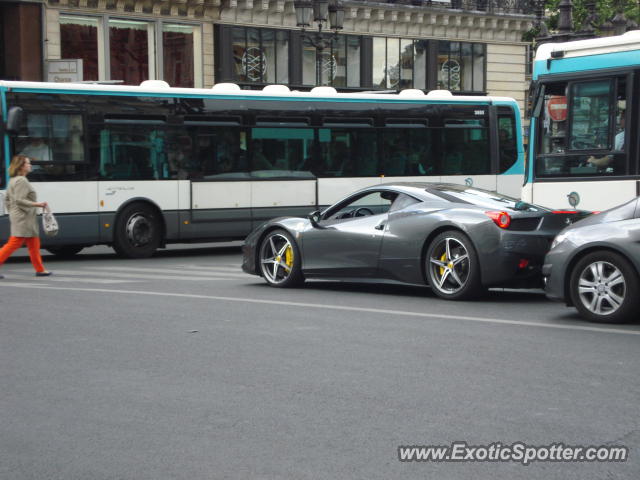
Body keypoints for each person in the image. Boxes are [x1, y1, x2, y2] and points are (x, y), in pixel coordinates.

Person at [0, 155, 52, 278]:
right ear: (21, 166)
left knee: (34, 244)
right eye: (28, 163)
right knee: (14, 243)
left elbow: (8, 200)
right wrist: (38, 204)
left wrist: (13, 212)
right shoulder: (21, 180)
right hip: (23, 218)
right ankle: (40, 270)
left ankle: (40, 269)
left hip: (23, 217)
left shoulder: (13, 180)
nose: (30, 165)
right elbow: (20, 200)